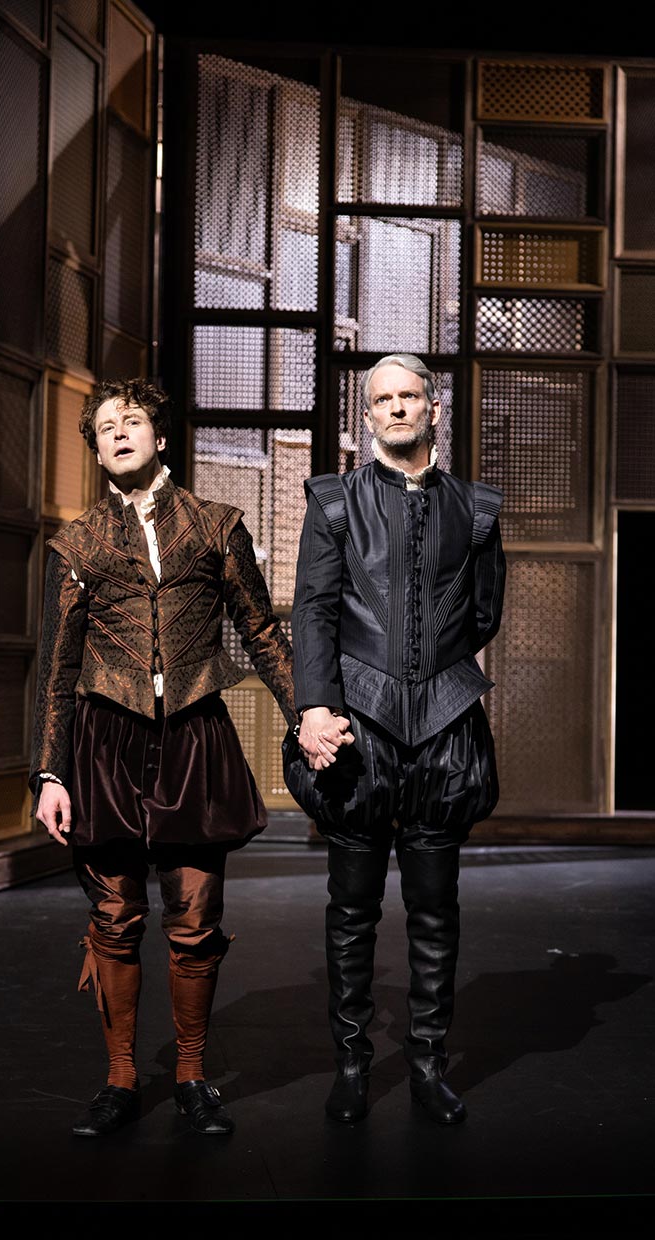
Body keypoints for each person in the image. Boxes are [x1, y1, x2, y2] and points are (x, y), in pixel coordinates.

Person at [30, 377, 295, 1137]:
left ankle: (191, 1074)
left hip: (192, 734)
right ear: (96, 450)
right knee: (114, 916)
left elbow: (260, 631)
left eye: (132, 420)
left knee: (196, 916)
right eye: (105, 427)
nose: (118, 432)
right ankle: (119, 1080)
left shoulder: (215, 526)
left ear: (161, 436)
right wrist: (49, 772)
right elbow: (58, 666)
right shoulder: (78, 543)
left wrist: (305, 714)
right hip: (104, 741)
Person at [291, 353, 505, 1125]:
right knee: (351, 909)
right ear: (367, 414)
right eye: (381, 399)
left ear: (432, 407)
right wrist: (314, 706)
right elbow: (312, 610)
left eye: (408, 396)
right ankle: (352, 1068)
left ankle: (425, 1068)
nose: (395, 409)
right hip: (358, 728)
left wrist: (431, 675)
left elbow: (482, 614)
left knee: (433, 910)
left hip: (443, 729)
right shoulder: (334, 501)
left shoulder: (475, 508)